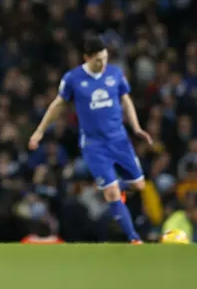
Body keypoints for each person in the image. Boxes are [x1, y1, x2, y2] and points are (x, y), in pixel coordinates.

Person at [28, 36, 152, 244]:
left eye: (105, 58)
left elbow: (126, 100)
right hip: (95, 145)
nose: (102, 63)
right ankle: (134, 239)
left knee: (139, 186)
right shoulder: (73, 79)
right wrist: (39, 131)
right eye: (98, 60)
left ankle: (111, 186)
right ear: (86, 58)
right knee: (112, 193)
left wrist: (137, 127)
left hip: (119, 140)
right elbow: (57, 106)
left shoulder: (115, 73)